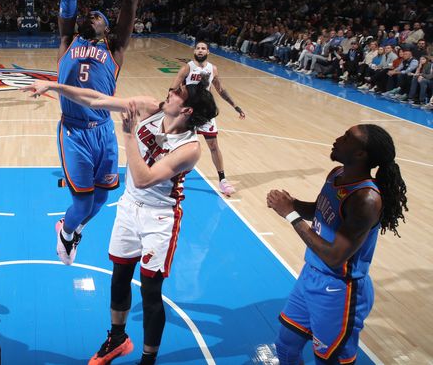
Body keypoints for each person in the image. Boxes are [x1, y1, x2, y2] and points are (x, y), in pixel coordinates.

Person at [23, 76, 218, 365]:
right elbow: (95, 99)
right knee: (119, 277)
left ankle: (148, 359)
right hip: (129, 208)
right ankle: (117, 339)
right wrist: (54, 87)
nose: (171, 91)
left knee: (151, 292)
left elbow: (143, 179)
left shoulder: (189, 148)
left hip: (160, 216)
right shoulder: (151, 108)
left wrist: (128, 135)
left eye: (178, 93)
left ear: (187, 110)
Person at [267, 124, 408, 365]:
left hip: (339, 290)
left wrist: (291, 215)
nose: (337, 139)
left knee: (328, 361)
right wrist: (293, 204)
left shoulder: (366, 200)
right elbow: (320, 209)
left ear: (360, 154)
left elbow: (334, 256)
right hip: (310, 277)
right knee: (286, 345)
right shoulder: (336, 174)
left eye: (346, 138)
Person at [50, 0, 142, 265]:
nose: (93, 15)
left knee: (101, 199)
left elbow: (130, 4)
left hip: (104, 131)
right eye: (90, 14)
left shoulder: (114, 49)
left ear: (107, 30)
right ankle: (66, 229)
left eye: (100, 16)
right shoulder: (67, 39)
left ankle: (73, 229)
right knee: (83, 202)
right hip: (74, 132)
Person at [170, 41, 245, 196]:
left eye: (203, 48)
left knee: (213, 146)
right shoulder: (187, 68)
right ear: (194, 51)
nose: (200, 50)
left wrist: (235, 106)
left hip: (205, 112)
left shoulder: (213, 69)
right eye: (198, 48)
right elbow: (172, 89)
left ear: (208, 52)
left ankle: (222, 180)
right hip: (188, 112)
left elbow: (221, 90)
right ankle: (169, 174)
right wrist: (171, 107)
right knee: (179, 145)